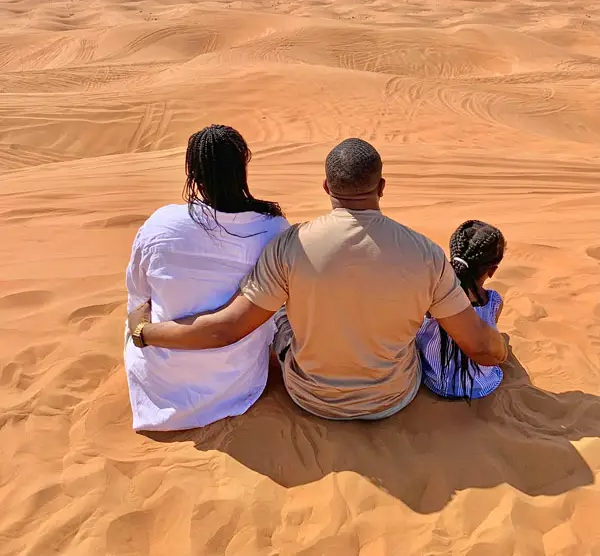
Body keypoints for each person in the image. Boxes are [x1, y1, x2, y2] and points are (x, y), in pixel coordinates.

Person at [129, 138, 508, 421]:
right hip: (392, 399)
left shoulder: (291, 246)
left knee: (278, 313)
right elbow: (480, 347)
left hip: (309, 397)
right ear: (381, 187)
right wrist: (503, 349)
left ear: (327, 188)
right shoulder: (426, 254)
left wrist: (144, 331)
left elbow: (225, 329)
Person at [125, 124, 288, 431]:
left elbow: (137, 294)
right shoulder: (271, 227)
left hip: (158, 386)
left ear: (194, 174)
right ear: (242, 168)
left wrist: (142, 329)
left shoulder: (161, 223)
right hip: (238, 384)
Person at [416, 220, 505, 400]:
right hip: (482, 385)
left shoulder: (431, 295)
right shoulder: (493, 300)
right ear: (493, 270)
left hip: (434, 380)